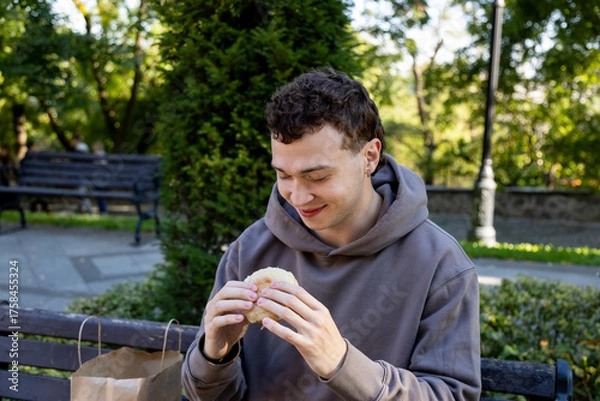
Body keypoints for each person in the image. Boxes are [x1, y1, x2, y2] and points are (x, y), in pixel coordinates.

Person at [181, 67, 481, 400]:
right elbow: (207, 396)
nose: (297, 196)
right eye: (283, 175)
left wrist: (341, 362)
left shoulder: (440, 264)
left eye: (318, 177)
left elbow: (452, 395)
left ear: (369, 157)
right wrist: (214, 354)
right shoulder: (248, 250)